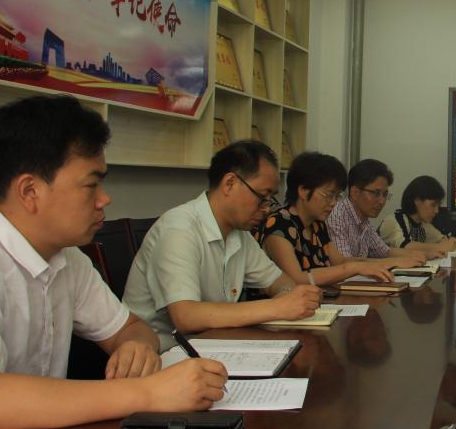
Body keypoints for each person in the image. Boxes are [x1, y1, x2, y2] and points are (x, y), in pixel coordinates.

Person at [0, 96, 227, 429]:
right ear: (30, 191)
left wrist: (135, 347)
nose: (104, 199)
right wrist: (146, 393)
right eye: (91, 185)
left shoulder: (66, 258)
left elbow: (131, 328)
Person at [123, 141, 322, 351]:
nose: (266, 209)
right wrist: (277, 307)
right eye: (263, 197)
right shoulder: (179, 229)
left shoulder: (239, 234)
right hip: (160, 354)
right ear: (229, 184)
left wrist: (290, 296)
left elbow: (279, 282)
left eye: (270, 200)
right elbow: (186, 316)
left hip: (211, 346)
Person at [256, 151, 394, 285]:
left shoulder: (317, 225)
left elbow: (340, 262)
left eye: (337, 196)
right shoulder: (278, 225)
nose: (333, 203)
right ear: (303, 191)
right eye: (329, 195)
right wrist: (354, 268)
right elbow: (296, 278)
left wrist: (384, 264)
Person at [326, 158, 428, 264]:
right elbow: (345, 263)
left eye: (385, 194)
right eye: (376, 193)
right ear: (355, 192)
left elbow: (385, 252)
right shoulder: (336, 216)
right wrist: (396, 261)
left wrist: (420, 254)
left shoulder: (364, 220)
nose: (382, 201)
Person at [378, 175, 456, 256]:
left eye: (438, 205)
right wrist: (440, 247)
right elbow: (404, 247)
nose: (437, 211)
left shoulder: (423, 224)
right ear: (417, 201)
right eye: (433, 205)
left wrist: (448, 242)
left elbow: (443, 240)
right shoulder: (394, 220)